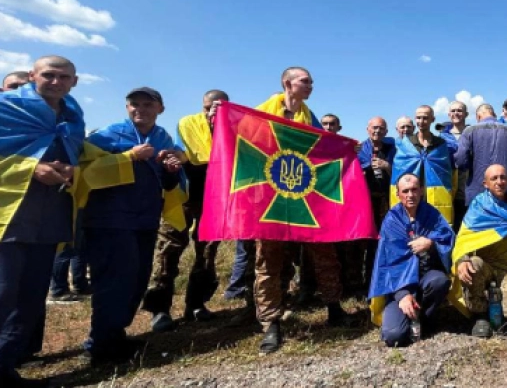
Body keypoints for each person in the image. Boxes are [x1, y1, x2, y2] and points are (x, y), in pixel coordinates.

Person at [0, 56, 85, 388]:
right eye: (48, 75)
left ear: (74, 82)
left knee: (30, 300)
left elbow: (78, 154)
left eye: (63, 76)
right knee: (3, 294)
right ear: (32, 76)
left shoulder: (73, 117)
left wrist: (70, 171)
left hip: (48, 219)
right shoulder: (6, 107)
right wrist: (30, 169)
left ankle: (5, 372)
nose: (55, 81)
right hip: (8, 218)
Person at [80, 87, 184, 364]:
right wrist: (128, 157)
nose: (140, 109)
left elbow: (167, 182)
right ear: (126, 108)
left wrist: (171, 169)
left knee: (137, 279)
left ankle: (114, 334)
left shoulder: (163, 138)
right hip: (110, 220)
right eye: (134, 104)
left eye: (148, 104)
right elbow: (86, 172)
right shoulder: (105, 135)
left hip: (145, 219)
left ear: (160, 109)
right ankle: (101, 346)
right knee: (114, 281)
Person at [251, 67, 347, 354]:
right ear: (287, 83)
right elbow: (244, 139)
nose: (311, 86)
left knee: (324, 252)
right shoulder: (263, 111)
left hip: (305, 195)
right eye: (305, 81)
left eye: (311, 82)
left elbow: (322, 147)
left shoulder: (310, 116)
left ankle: (333, 307)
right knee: (268, 261)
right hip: (272, 197)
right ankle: (271, 323)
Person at [143, 89, 230, 332]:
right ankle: (159, 308)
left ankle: (196, 304)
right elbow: (185, 153)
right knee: (169, 250)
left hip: (214, 200)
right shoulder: (188, 124)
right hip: (183, 197)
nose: (212, 111)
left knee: (207, 253)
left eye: (219, 107)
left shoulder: (235, 130)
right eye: (208, 107)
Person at [368, 174, 453, 347]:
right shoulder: (391, 220)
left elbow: (448, 239)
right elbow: (388, 263)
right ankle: (407, 314)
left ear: (421, 191)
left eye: (414, 189)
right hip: (399, 286)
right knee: (394, 336)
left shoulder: (432, 214)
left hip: (425, 278)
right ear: (398, 194)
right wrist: (403, 295)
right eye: (405, 191)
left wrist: (431, 243)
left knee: (440, 281)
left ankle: (424, 318)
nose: (410, 195)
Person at [450, 165, 507, 338]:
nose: (499, 182)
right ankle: (480, 315)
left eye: (503, 177)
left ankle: (502, 306)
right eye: (494, 178)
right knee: (472, 266)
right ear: (485, 183)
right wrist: (462, 260)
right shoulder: (479, 205)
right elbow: (464, 237)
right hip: (486, 265)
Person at [392, 105, 454, 222]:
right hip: (411, 194)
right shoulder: (406, 144)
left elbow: (446, 173)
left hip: (435, 195)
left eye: (425, 118)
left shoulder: (440, 144)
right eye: (418, 118)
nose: (421, 121)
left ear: (432, 119)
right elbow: (399, 170)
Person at [454, 104, 507, 205]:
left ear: (478, 116)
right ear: (494, 114)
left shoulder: (469, 131)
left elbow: (460, 161)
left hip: (478, 193)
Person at [357, 117, 396, 292]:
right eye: (374, 128)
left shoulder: (392, 149)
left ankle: (381, 279)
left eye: (381, 129)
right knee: (364, 241)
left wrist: (387, 166)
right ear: (367, 129)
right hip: (365, 203)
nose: (377, 131)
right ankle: (361, 282)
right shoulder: (359, 149)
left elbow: (402, 171)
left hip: (387, 202)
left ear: (386, 132)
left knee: (385, 240)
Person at [439, 101, 469, 231]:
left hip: (467, 187)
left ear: (466, 114)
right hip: (448, 187)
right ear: (449, 114)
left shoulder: (472, 133)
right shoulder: (442, 138)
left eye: (459, 110)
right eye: (453, 111)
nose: (456, 113)